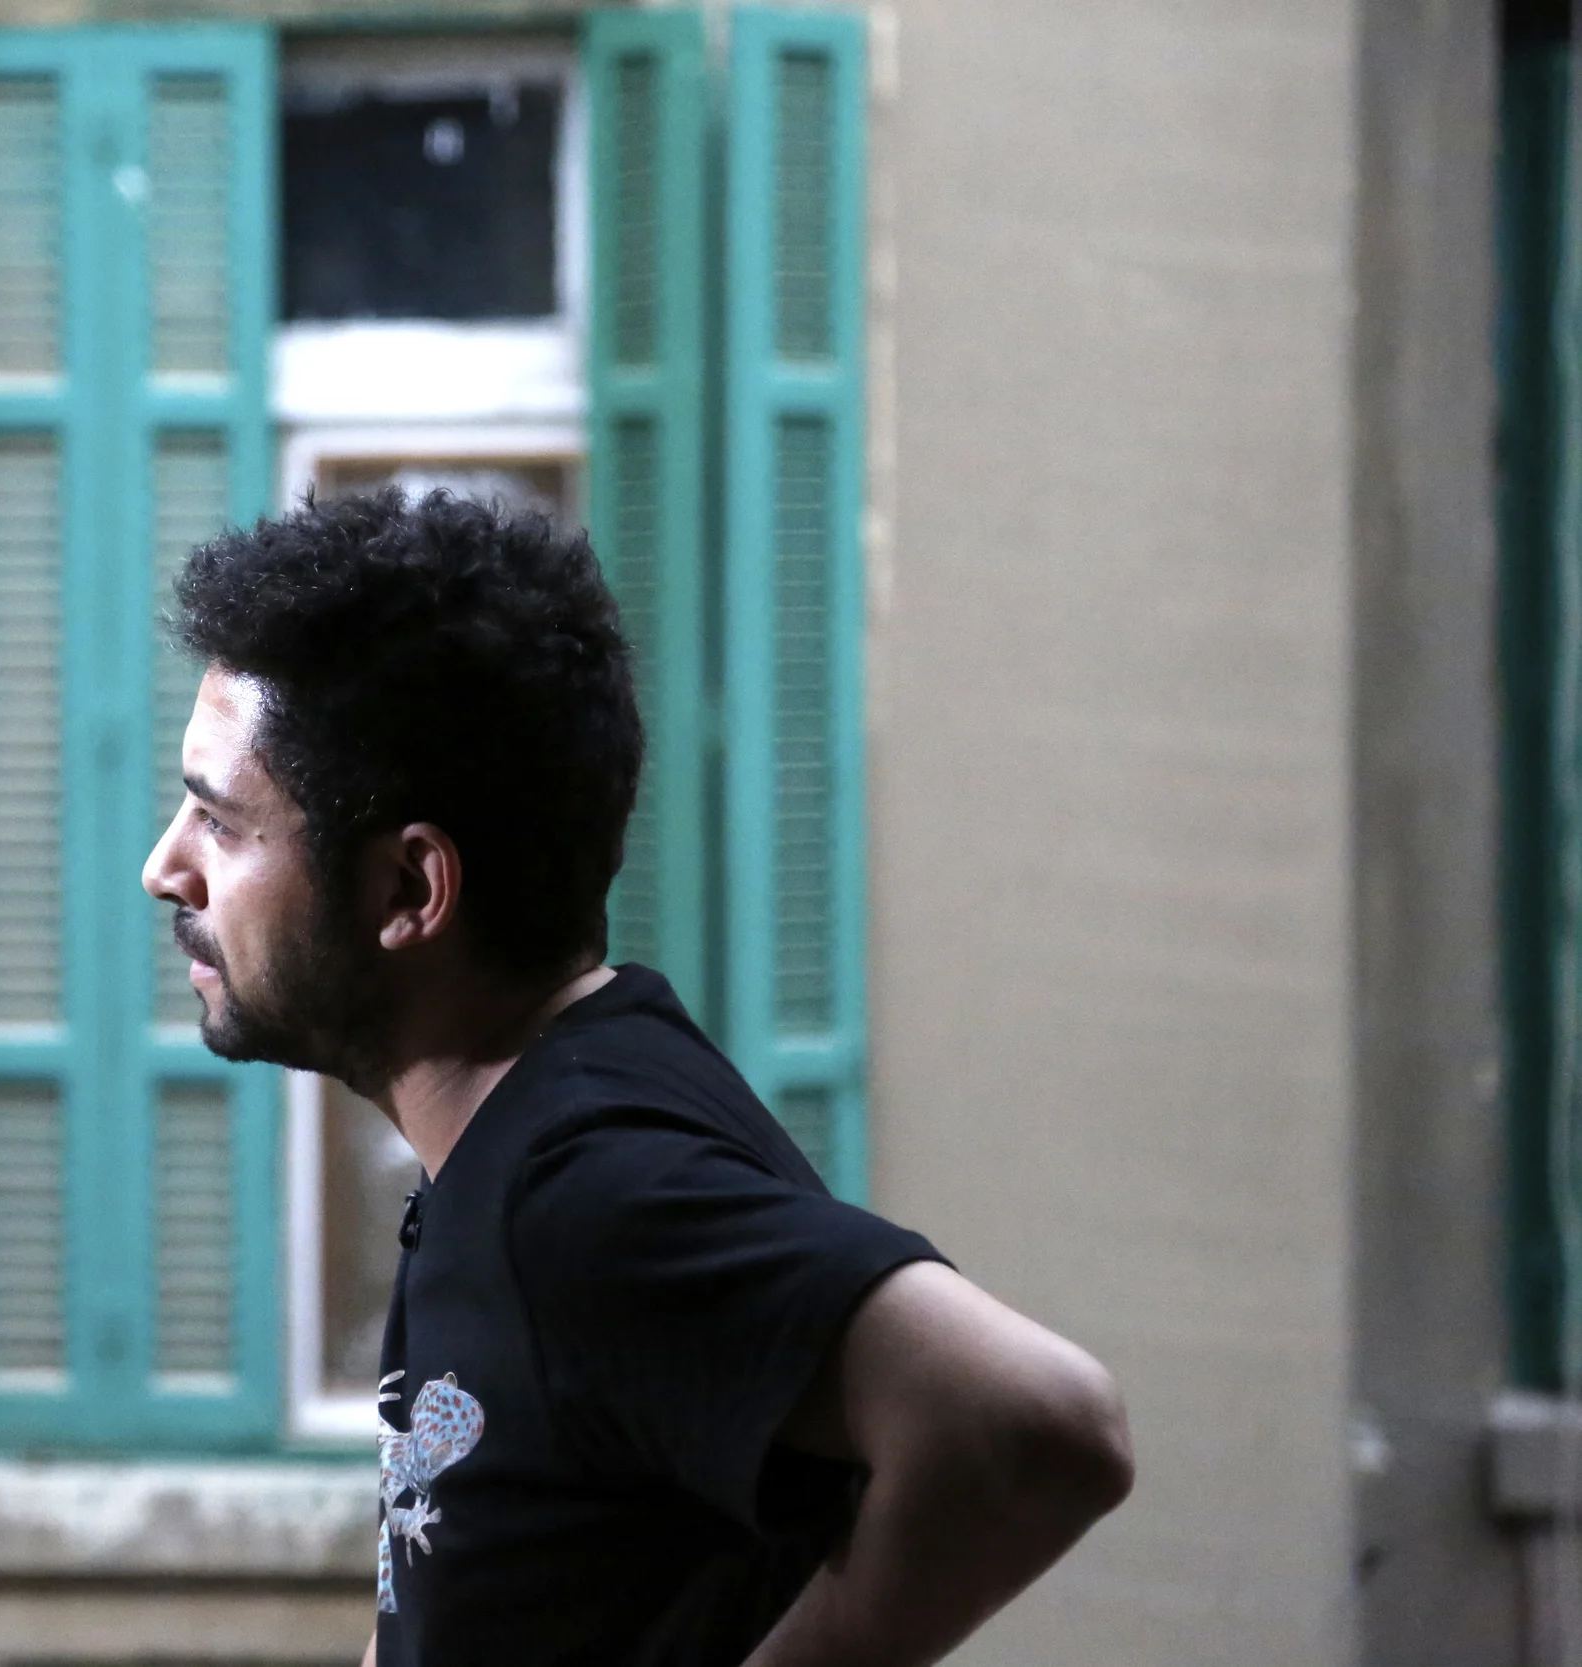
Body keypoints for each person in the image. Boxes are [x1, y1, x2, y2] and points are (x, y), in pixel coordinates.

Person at [142, 489, 1133, 1667]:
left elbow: (1037, 1424)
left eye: (222, 822)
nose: (168, 867)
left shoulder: (586, 1190)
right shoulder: (509, 1138)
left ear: (412, 891)